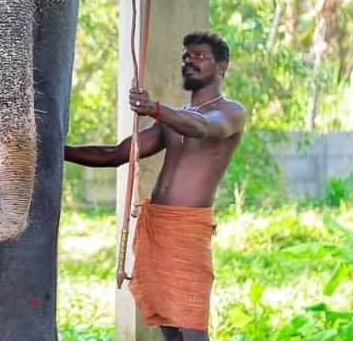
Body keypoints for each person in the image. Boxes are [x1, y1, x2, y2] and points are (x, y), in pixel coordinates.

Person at [65, 31, 246, 341]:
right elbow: (117, 154)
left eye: (199, 56)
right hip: (157, 227)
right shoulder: (175, 118)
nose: (189, 60)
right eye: (186, 56)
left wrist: (155, 108)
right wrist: (57, 151)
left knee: (191, 326)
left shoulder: (230, 112)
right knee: (169, 325)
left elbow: (203, 128)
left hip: (188, 230)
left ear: (221, 67)